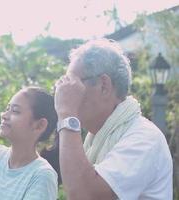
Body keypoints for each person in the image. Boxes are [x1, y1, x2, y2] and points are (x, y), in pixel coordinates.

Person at [54, 39, 173, 200]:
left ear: (104, 85)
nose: (63, 91)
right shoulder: (96, 138)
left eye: (72, 83)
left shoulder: (144, 138)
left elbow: (84, 195)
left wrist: (67, 115)